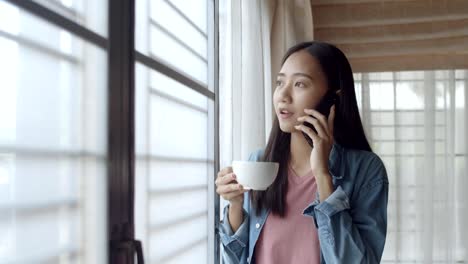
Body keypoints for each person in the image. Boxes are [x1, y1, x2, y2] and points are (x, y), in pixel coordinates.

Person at [216, 41, 389, 263]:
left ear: (332, 98)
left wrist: (323, 177)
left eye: (299, 84)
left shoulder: (366, 170)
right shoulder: (258, 163)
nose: (283, 96)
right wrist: (236, 204)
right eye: (280, 82)